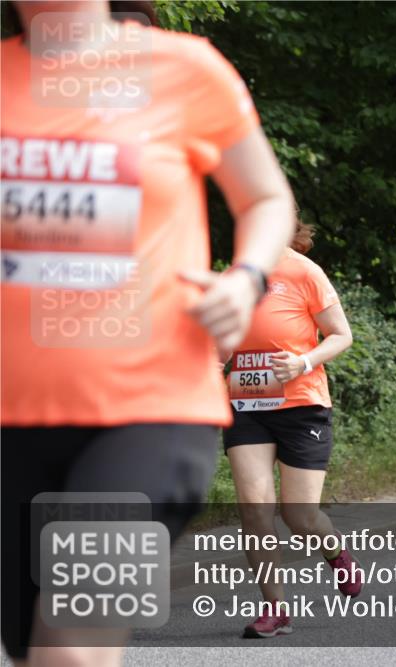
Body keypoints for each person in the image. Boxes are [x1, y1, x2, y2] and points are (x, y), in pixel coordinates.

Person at [1, 2, 295, 665]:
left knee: (71, 643)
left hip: (152, 409)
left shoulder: (185, 68)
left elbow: (265, 197)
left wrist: (246, 277)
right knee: (29, 646)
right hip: (12, 416)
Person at [222, 222, 359, 639]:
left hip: (302, 405)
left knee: (299, 515)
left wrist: (303, 362)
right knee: (254, 506)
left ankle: (335, 551)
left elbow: (341, 335)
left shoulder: (305, 272)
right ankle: (275, 608)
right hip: (247, 404)